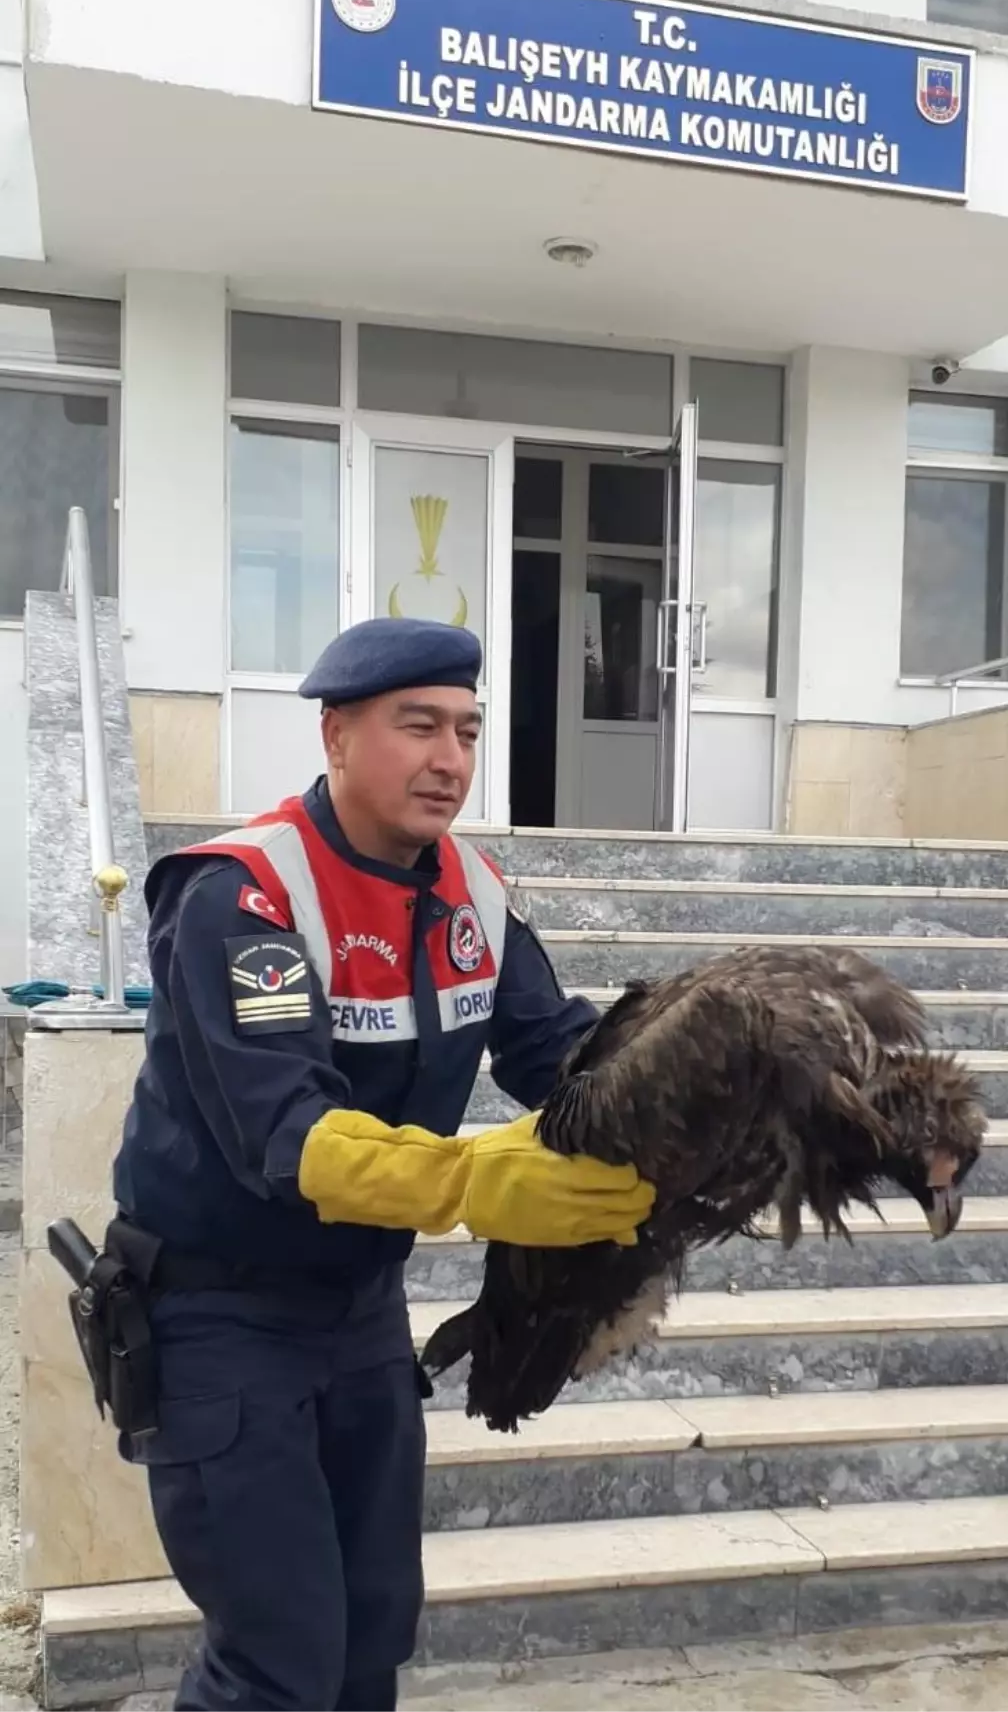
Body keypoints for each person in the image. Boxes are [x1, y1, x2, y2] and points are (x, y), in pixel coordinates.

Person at [110, 615, 655, 1712]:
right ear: (338, 733)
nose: (449, 758)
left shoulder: (472, 894)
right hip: (218, 1318)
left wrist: (709, 1101)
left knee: (368, 1638)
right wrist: (476, 1182)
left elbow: (564, 1057)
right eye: (418, 726)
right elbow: (292, 1136)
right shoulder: (242, 895)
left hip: (358, 1315)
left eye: (466, 729)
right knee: (278, 1660)